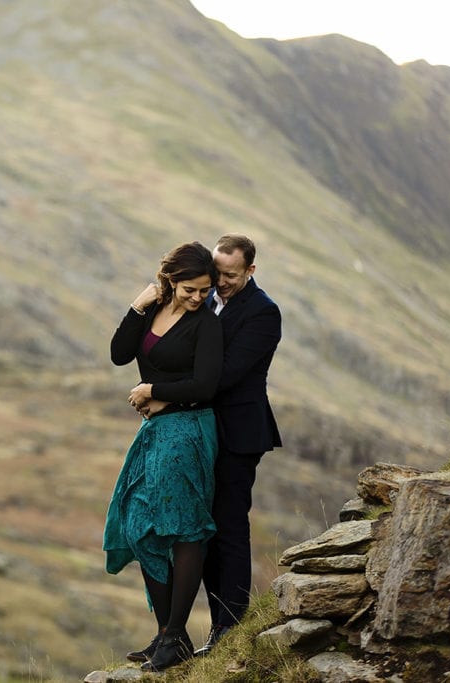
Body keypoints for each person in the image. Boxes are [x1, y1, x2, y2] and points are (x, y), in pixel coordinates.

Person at [103, 241, 222, 672]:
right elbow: (119, 354)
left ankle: (173, 637)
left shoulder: (206, 325)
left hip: (188, 430)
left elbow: (206, 384)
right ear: (170, 282)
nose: (198, 298)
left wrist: (154, 392)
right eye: (189, 289)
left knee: (183, 528)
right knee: (138, 523)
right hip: (155, 433)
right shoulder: (153, 311)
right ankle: (169, 635)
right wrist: (138, 306)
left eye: (204, 290)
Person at [193, 233, 282, 656]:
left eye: (230, 275)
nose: (221, 282)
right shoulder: (205, 298)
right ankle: (215, 627)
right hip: (204, 431)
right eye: (217, 272)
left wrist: (163, 390)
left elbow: (225, 374)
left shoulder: (264, 313)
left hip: (240, 433)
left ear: (250, 270)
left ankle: (231, 624)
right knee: (206, 529)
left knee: (229, 526)